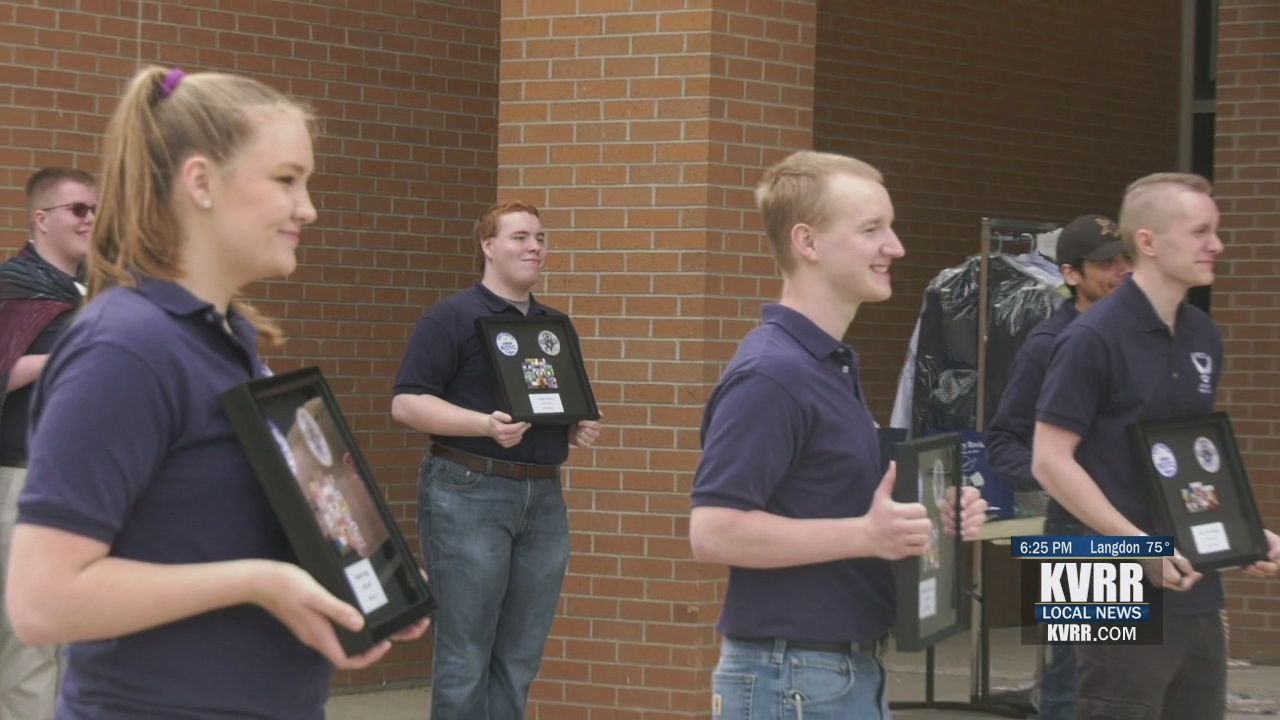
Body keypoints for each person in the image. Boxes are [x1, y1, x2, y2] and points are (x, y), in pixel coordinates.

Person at [4, 66, 427, 719]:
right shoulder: (124, 349)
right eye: (286, 180)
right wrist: (260, 584)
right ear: (200, 182)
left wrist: (351, 579)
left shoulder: (228, 337)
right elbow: (41, 601)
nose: (308, 208)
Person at [688, 150, 989, 719]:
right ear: (808, 242)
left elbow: (839, 504)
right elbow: (714, 531)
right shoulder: (774, 375)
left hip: (831, 674)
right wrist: (865, 535)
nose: (895, 246)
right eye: (872, 229)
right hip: (792, 679)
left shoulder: (826, 366)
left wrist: (931, 515)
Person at [1032, 173, 1280, 720]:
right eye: (1200, 232)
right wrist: (1134, 547)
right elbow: (1048, 462)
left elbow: (1188, 464)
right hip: (1103, 572)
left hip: (1191, 579)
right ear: (1147, 242)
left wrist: (1238, 533)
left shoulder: (1202, 335)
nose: (1216, 244)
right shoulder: (1090, 337)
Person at [391, 200, 602, 720]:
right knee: (465, 659)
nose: (535, 247)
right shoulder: (451, 317)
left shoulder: (555, 325)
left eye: (541, 238)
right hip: (468, 492)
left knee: (519, 659)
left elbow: (555, 399)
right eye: (521, 237)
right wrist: (483, 424)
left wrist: (576, 424)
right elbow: (407, 403)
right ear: (488, 247)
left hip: (544, 497)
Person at [985, 214, 1130, 720]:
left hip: (1139, 526)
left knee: (1128, 683)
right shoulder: (1049, 344)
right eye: (1105, 263)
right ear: (1071, 274)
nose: (1120, 271)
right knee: (1075, 686)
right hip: (1077, 531)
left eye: (1125, 259)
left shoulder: (1135, 338)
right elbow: (1003, 441)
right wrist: (1062, 475)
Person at [0, 166, 96, 720]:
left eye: (95, 209)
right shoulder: (13, 285)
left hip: (81, 482)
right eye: (77, 209)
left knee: (73, 637)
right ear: (41, 219)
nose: (90, 219)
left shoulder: (95, 289)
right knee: (27, 643)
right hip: (23, 479)